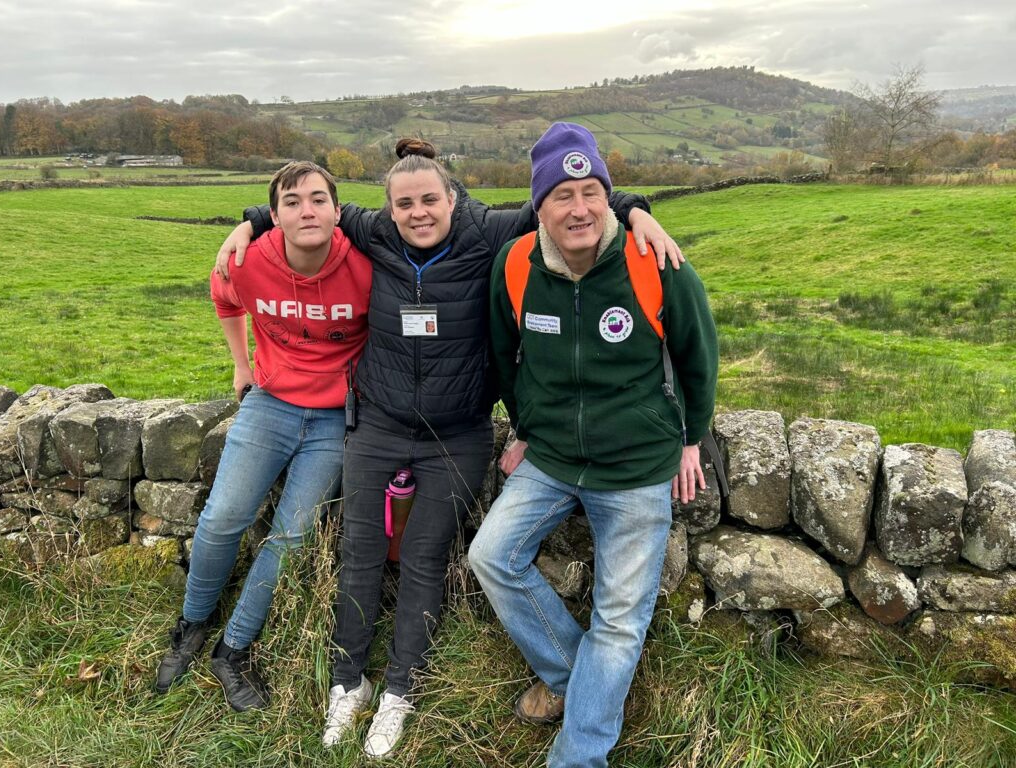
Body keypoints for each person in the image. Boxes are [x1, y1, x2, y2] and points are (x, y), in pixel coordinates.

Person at [214, 139, 682, 756]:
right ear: (390, 210)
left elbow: (565, 199)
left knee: (425, 561)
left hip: (456, 434)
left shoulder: (488, 231)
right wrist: (248, 223)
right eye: (404, 203)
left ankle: (398, 694)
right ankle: (345, 685)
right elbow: (308, 206)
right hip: (376, 425)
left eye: (429, 199)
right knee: (360, 553)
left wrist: (636, 209)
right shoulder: (374, 230)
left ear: (451, 197)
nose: (417, 212)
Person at [468, 122, 718, 768]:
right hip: (550, 458)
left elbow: (697, 357)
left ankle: (579, 753)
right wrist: (523, 428)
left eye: (591, 191)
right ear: (540, 207)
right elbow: (504, 355)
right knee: (491, 556)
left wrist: (692, 440)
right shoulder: (516, 264)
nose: (578, 208)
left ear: (609, 196)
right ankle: (580, 683)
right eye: (561, 195)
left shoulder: (653, 261)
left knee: (618, 619)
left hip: (638, 466)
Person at [154, 161, 371, 711]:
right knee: (223, 516)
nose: (307, 210)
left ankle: (234, 649)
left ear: (338, 211)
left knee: (291, 538)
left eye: (319, 199)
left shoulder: (365, 266)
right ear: (272, 216)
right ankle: (194, 623)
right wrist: (240, 364)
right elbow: (225, 300)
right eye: (293, 202)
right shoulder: (247, 260)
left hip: (333, 417)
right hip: (270, 403)